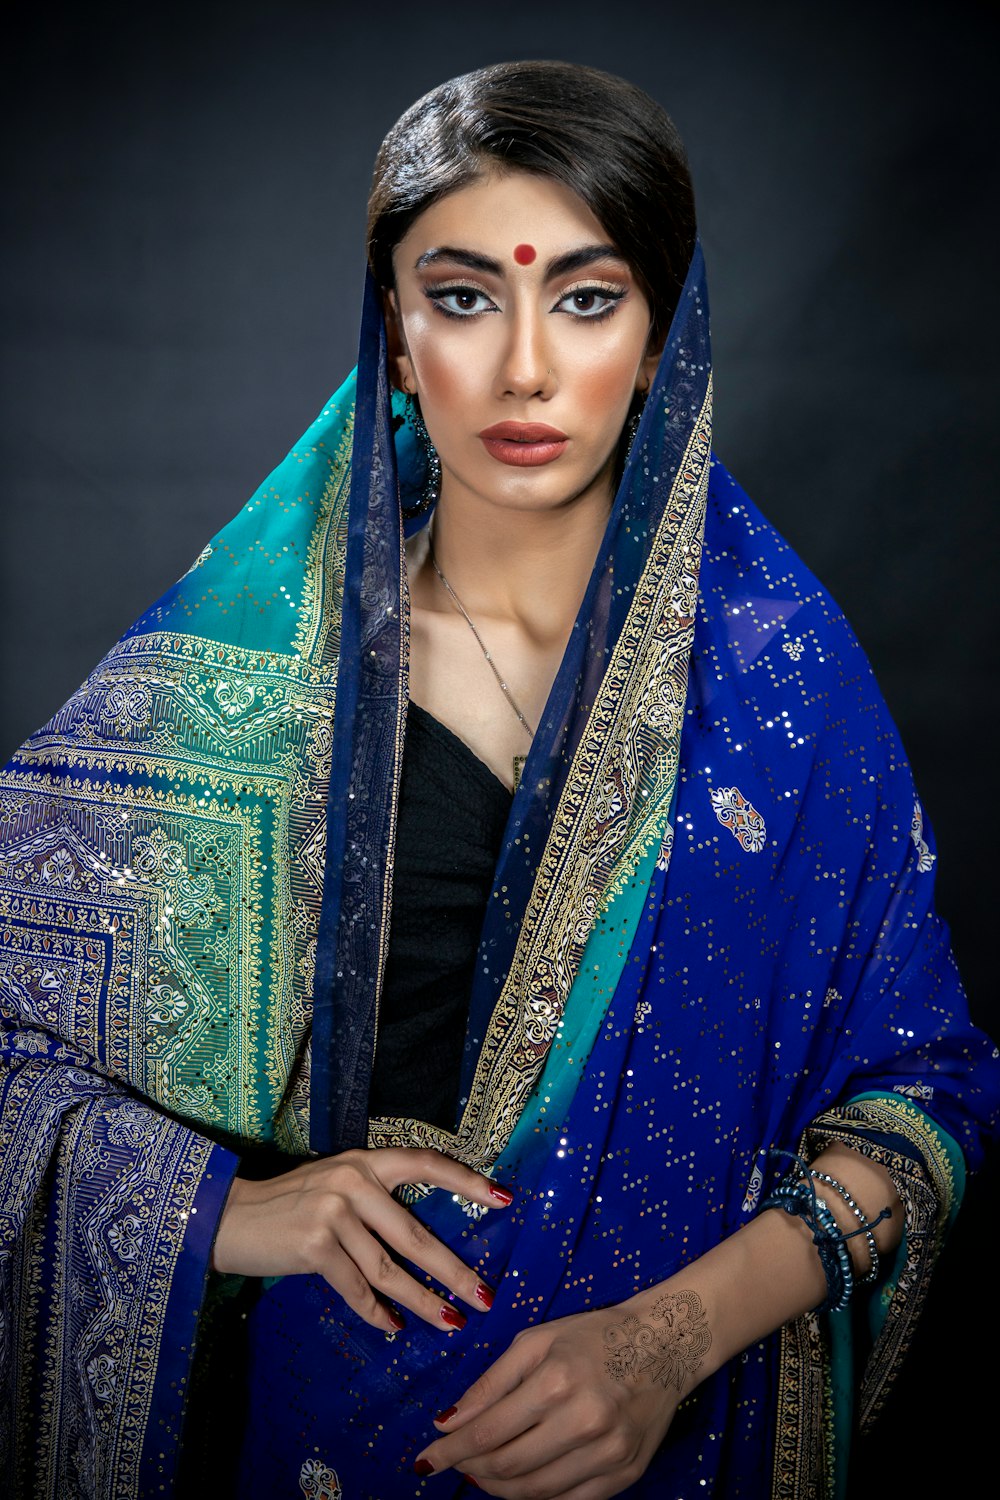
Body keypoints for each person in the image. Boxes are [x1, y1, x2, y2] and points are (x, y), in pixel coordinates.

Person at [1, 59, 997, 1500]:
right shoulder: (257, 684)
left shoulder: (779, 683)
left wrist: (666, 1342)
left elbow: (928, 1089)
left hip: (659, 1449)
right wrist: (226, 1211)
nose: (525, 367)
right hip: (312, 1438)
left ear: (659, 335)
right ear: (395, 335)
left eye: (586, 300)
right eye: (464, 297)